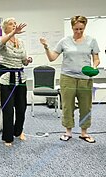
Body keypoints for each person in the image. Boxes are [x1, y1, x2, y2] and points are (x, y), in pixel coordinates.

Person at [40, 15, 100, 143]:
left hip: (85, 78)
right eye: (76, 29)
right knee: (68, 106)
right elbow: (52, 58)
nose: (78, 32)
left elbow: (96, 58)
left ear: (85, 27)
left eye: (81, 29)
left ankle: (84, 132)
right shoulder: (64, 41)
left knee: (86, 106)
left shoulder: (92, 41)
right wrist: (46, 47)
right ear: (72, 27)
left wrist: (94, 67)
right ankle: (68, 131)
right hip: (67, 78)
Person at [0, 18, 32, 147]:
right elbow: (0, 44)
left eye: (15, 24)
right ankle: (8, 137)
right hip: (6, 77)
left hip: (20, 76)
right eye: (11, 24)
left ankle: (19, 131)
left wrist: (27, 60)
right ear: (5, 27)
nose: (14, 26)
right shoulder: (1, 39)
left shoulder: (20, 42)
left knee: (22, 107)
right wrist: (12, 33)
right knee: (8, 109)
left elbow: (23, 60)